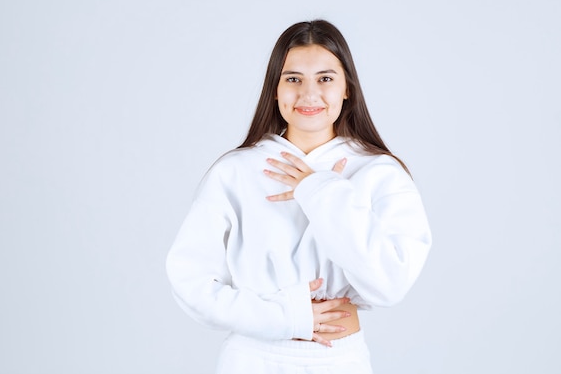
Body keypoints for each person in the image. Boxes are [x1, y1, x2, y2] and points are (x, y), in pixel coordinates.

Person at [166, 20, 431, 373]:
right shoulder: (235, 171)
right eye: (293, 79)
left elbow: (390, 284)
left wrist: (320, 191)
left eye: (325, 78)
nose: (309, 95)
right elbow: (189, 281)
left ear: (347, 88)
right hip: (253, 360)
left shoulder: (379, 172)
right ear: (274, 90)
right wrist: (284, 316)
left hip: (340, 361)